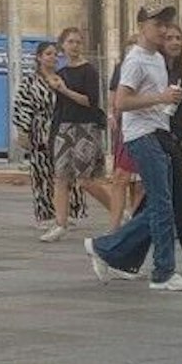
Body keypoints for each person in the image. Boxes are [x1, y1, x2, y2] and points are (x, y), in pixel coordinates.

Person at [98, 22, 182, 284]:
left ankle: (118, 254)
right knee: (178, 207)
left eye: (179, 37)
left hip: (169, 141)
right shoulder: (151, 67)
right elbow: (123, 101)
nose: (175, 42)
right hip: (155, 140)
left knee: (157, 208)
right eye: (169, 38)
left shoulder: (176, 72)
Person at [85, 3, 182, 292]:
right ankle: (163, 272)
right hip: (142, 136)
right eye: (158, 25)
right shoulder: (135, 60)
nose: (164, 30)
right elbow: (121, 102)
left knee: (161, 205)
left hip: (157, 132)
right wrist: (161, 98)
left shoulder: (156, 58)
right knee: (162, 205)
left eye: (166, 24)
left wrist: (166, 103)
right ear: (142, 27)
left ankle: (105, 247)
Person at [41, 27, 115, 241]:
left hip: (85, 128)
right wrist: (53, 132)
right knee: (60, 177)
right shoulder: (62, 73)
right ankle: (60, 224)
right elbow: (59, 107)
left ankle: (119, 210)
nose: (74, 46)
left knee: (86, 180)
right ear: (62, 45)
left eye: (78, 42)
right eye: (70, 42)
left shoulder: (89, 71)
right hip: (64, 127)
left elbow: (89, 101)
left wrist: (64, 90)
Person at [11, 41, 83, 229]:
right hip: (40, 131)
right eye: (48, 54)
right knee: (42, 173)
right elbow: (22, 106)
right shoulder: (30, 82)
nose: (53, 57)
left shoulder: (63, 78)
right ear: (39, 57)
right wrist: (23, 131)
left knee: (67, 173)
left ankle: (68, 212)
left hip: (63, 129)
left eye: (55, 54)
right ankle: (46, 215)